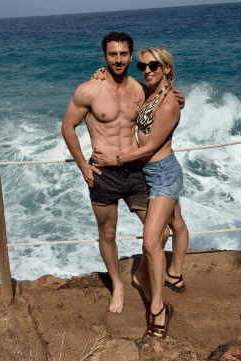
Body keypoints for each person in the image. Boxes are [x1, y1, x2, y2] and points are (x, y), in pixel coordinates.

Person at [61, 32, 186, 316]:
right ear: (104, 56)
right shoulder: (88, 90)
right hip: (103, 174)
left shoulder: (141, 89)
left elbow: (166, 101)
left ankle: (141, 274)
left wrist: (180, 97)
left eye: (124, 54)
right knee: (108, 233)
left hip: (136, 170)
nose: (119, 59)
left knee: (161, 231)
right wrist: (82, 165)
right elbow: (67, 127)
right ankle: (117, 284)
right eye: (112, 54)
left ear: (131, 56)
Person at [92, 46, 187, 339]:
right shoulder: (153, 92)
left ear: (167, 68)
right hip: (146, 173)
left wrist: (113, 161)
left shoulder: (169, 102)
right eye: (143, 66)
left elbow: (148, 147)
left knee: (151, 241)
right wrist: (102, 74)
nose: (147, 70)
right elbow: (121, 96)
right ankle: (164, 275)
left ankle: (158, 308)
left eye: (154, 66)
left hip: (163, 174)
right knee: (171, 228)